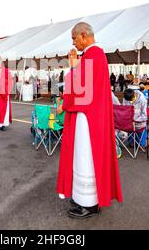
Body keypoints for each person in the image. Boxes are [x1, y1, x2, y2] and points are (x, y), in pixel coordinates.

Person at [57, 22, 122, 219]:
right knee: (86, 158)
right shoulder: (95, 55)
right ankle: (86, 199)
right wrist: (76, 66)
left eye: (74, 39)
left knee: (85, 158)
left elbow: (80, 90)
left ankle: (88, 204)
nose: (74, 43)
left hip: (87, 119)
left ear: (84, 35)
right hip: (92, 116)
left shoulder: (93, 55)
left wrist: (72, 68)